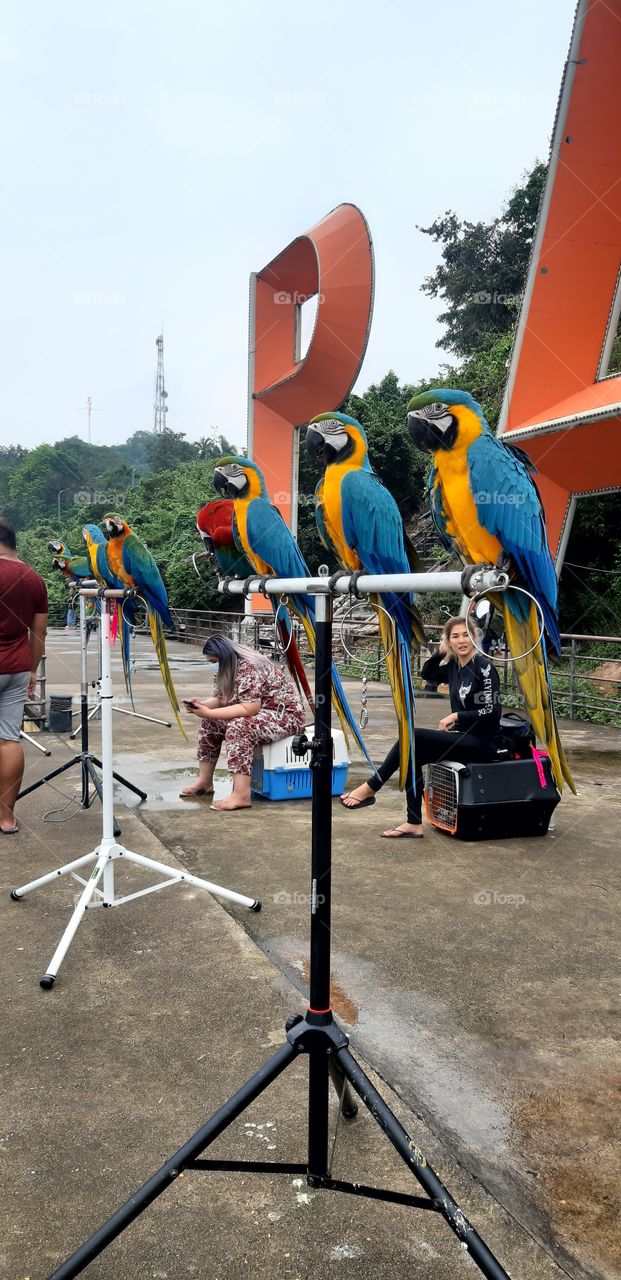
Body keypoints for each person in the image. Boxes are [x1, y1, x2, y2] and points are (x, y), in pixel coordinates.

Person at [340, 615, 503, 840]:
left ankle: (372, 786)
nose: (462, 640)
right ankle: (414, 822)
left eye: (466, 634)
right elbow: (427, 673)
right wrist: (439, 652)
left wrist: (456, 715)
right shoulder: (455, 667)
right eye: (455, 636)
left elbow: (492, 711)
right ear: (448, 641)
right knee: (412, 753)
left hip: (484, 743)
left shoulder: (484, 667)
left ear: (474, 637)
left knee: (413, 736)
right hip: (463, 737)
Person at [181, 634, 306, 812]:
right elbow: (221, 698)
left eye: (214, 661)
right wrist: (201, 706)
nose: (213, 665)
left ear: (224, 656)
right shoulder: (225, 668)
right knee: (211, 723)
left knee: (239, 727)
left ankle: (241, 795)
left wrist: (209, 712)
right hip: (262, 712)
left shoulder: (248, 666)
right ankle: (205, 781)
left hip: (285, 716)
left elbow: (250, 708)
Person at [0, 517, 48, 834]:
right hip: (16, 668)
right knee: (8, 740)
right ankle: (6, 817)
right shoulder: (34, 578)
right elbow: (39, 632)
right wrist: (31, 670)